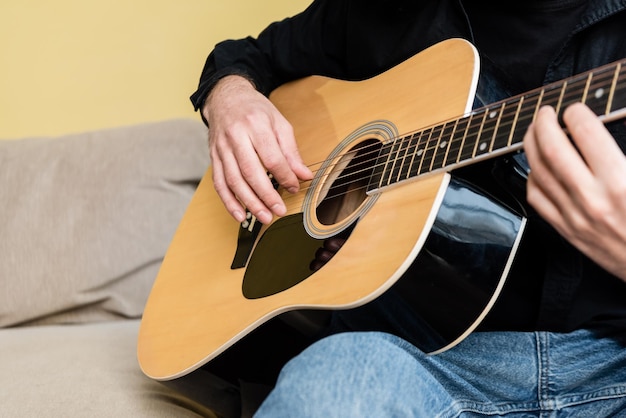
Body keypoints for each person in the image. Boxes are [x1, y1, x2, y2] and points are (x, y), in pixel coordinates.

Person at [190, 0, 626, 416]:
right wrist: (229, 98)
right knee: (325, 388)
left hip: (615, 364)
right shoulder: (382, 10)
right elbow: (246, 57)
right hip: (426, 358)